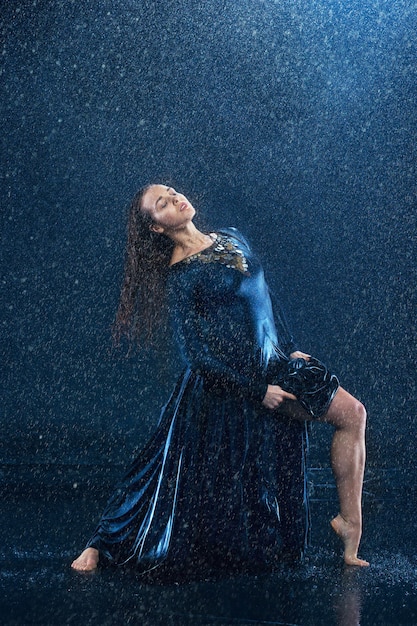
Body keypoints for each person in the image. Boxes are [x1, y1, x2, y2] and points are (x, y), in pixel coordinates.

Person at [72, 184, 368, 574]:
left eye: (171, 190)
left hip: (277, 364)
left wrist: (291, 346)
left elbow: (264, 292)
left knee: (353, 413)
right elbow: (195, 356)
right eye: (162, 203)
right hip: (235, 382)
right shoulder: (181, 277)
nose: (175, 198)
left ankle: (350, 524)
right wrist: (256, 391)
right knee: (158, 469)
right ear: (157, 228)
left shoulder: (230, 235)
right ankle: (102, 542)